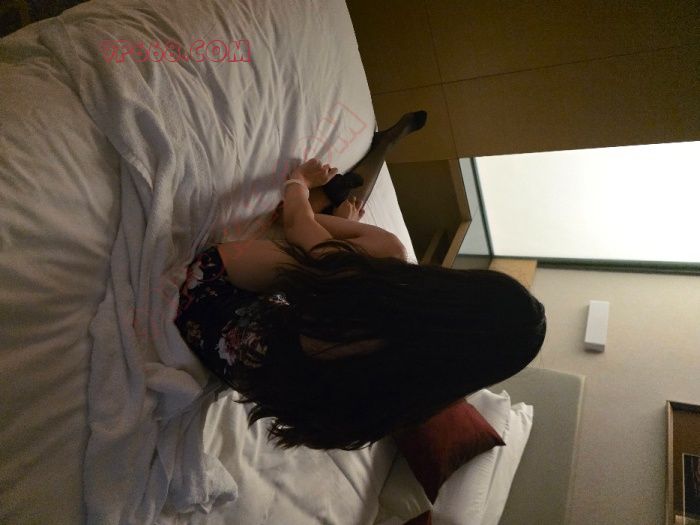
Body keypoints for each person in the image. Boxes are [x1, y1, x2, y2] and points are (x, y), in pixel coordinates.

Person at [173, 111, 547, 451]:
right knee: (347, 256)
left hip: (205, 295)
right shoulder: (410, 397)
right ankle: (357, 184)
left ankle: (354, 177)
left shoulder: (384, 290)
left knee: (371, 249)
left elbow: (294, 225)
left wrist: (300, 182)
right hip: (231, 363)